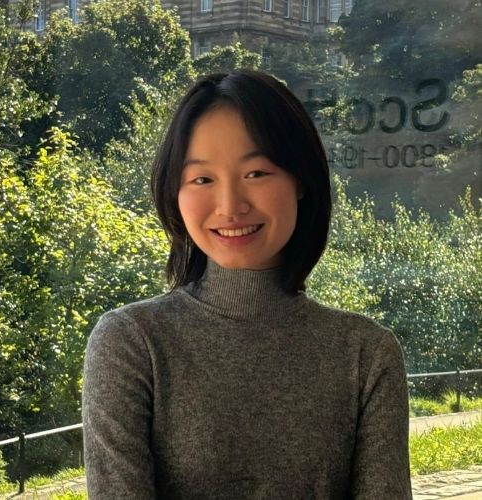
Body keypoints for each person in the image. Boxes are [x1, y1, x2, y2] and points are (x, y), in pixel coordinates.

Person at [82, 70, 412, 499]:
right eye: (202, 179)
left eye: (256, 173)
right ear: (175, 192)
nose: (230, 206)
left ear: (300, 180)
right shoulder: (131, 343)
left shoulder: (365, 354)